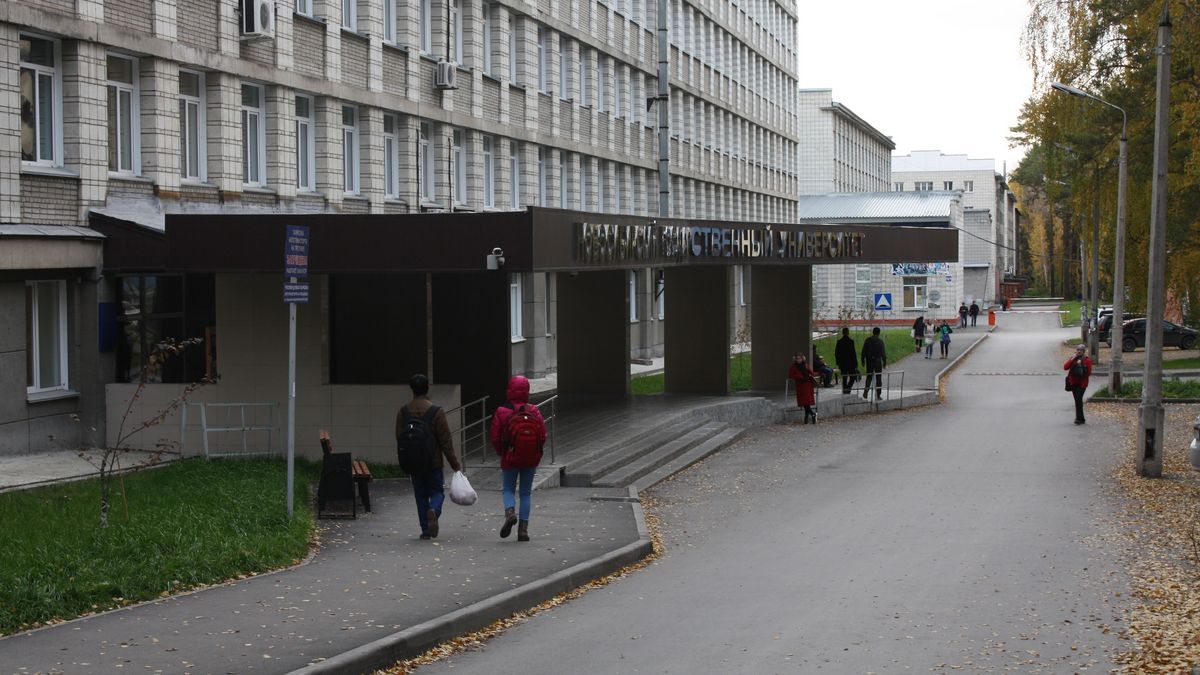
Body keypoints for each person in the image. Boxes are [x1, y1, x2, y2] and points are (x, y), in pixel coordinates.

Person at [397, 374, 462, 540]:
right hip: (434, 461)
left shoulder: (403, 412)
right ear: (427, 388)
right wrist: (454, 463)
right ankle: (434, 509)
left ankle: (425, 529)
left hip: (414, 462)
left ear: (412, 389)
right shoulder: (436, 412)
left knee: (420, 494)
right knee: (437, 491)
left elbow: (400, 438)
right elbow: (445, 440)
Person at [489, 375, 547, 541]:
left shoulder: (502, 411)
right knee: (525, 493)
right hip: (530, 458)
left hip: (510, 457)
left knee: (508, 488)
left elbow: (495, 436)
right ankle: (523, 530)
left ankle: (510, 512)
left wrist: (502, 452)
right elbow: (542, 435)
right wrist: (536, 452)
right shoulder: (534, 410)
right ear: (527, 391)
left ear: (509, 390)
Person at [1064, 343, 1094, 425]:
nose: (1079, 351)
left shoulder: (1087, 360)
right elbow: (1065, 367)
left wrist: (1081, 366)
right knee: (1077, 401)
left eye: (1081, 350)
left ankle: (1079, 418)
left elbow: (1088, 373)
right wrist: (1072, 359)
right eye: (1078, 350)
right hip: (1073, 383)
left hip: (1082, 384)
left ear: (1084, 351)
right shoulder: (1073, 358)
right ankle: (1081, 418)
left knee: (1078, 400)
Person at [788, 354, 818, 423]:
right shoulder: (793, 366)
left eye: (800, 358)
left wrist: (811, 374)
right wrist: (799, 376)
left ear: (802, 359)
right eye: (797, 359)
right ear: (795, 359)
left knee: (806, 402)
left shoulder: (806, 365)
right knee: (805, 402)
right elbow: (791, 375)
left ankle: (807, 417)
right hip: (800, 385)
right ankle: (812, 414)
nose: (798, 360)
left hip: (807, 384)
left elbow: (811, 373)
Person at [860, 327, 886, 400]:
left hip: (869, 362)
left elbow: (863, 351)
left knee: (869, 378)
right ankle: (878, 395)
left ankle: (866, 392)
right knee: (878, 379)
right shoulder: (880, 342)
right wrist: (884, 362)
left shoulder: (867, 340)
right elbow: (883, 353)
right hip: (878, 363)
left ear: (873, 332)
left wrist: (863, 361)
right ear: (879, 333)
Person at [834, 327, 859, 394]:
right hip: (851, 363)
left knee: (844, 378)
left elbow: (836, 353)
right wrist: (856, 364)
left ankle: (845, 390)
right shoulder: (851, 341)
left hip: (842, 364)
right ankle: (848, 388)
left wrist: (838, 363)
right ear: (848, 333)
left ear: (842, 333)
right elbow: (853, 353)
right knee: (853, 377)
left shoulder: (839, 342)